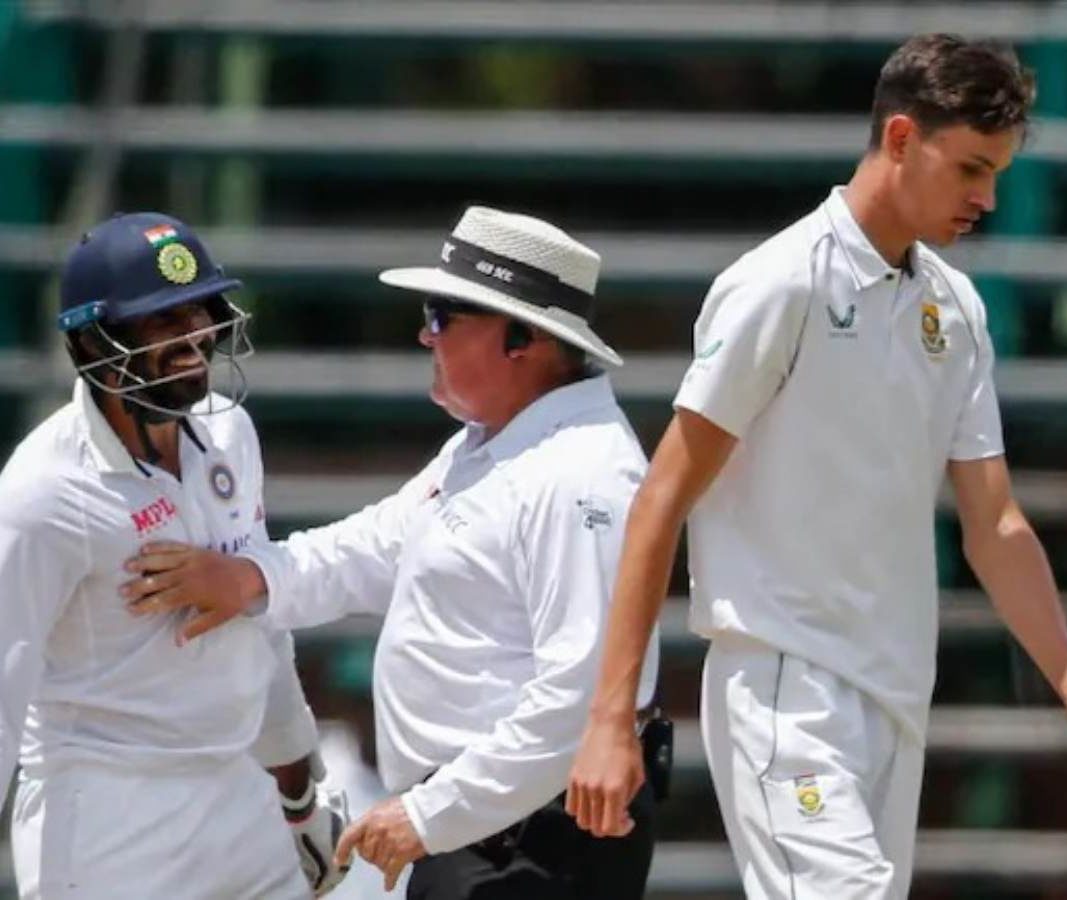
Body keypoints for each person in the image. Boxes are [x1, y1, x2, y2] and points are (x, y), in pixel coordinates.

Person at [565, 33, 1067, 899]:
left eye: (999, 175)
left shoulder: (957, 306)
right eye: (971, 169)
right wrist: (610, 718)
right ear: (903, 138)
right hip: (782, 686)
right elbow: (662, 499)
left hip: (896, 694)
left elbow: (995, 524)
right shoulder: (779, 284)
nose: (986, 198)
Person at [119, 207, 661, 898]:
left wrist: (429, 816)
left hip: (530, 841)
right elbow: (374, 546)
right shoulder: (494, 443)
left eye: (441, 315)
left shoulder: (584, 474)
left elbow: (579, 701)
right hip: (487, 833)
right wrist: (251, 575)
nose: (422, 334)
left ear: (520, 338)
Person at [0, 212, 348, 899]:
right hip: (108, 819)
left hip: (239, 792)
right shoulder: (42, 492)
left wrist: (299, 794)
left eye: (199, 312)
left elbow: (258, 627)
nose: (194, 340)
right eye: (162, 323)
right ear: (93, 340)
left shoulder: (230, 432)